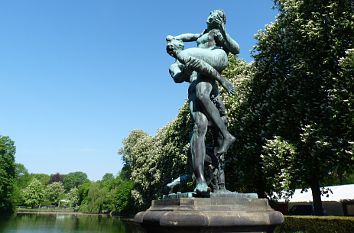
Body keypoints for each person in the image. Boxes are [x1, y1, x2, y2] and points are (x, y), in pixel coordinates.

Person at [167, 10, 239, 196]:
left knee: (202, 93)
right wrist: (183, 67)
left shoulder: (212, 35)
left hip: (211, 69)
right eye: (171, 47)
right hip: (197, 85)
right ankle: (201, 181)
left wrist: (222, 29)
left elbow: (235, 49)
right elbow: (178, 76)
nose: (172, 47)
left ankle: (218, 183)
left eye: (174, 45)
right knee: (199, 129)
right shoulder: (177, 63)